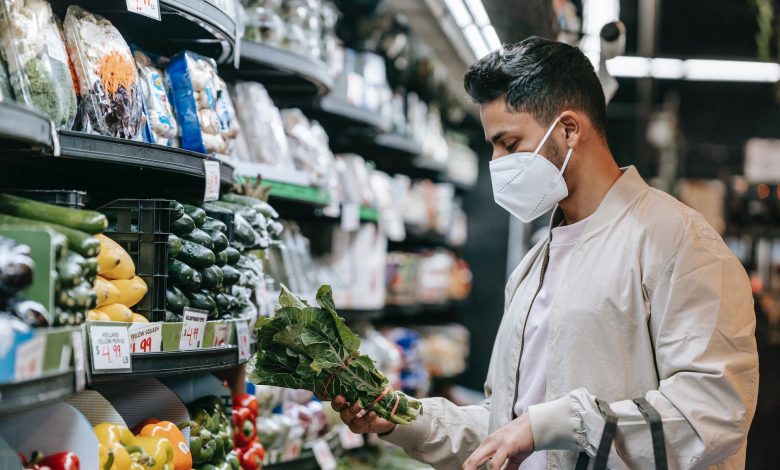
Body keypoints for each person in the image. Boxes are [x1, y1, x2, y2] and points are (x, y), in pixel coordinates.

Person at [331, 36, 759, 469]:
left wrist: (555, 423)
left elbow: (711, 415)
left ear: (569, 129)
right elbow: (509, 427)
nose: (497, 163)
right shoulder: (535, 264)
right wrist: (399, 418)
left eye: (510, 144)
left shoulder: (679, 244)